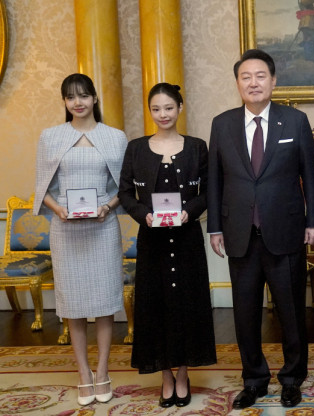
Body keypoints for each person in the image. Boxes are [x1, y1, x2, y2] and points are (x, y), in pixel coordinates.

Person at [207, 49, 314, 409]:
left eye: (261, 76)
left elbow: (310, 175)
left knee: (291, 312)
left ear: (273, 81)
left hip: (285, 231)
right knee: (245, 314)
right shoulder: (222, 124)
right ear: (238, 83)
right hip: (239, 233)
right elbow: (215, 180)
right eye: (246, 77)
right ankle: (254, 379)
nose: (254, 82)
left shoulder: (295, 121)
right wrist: (214, 228)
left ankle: (292, 379)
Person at [118, 83, 216, 408]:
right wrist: (143, 215)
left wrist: (191, 211)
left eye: (169, 108)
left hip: (187, 240)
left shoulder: (197, 147)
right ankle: (165, 376)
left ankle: (184, 374)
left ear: (180, 108)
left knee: (187, 304)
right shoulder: (135, 148)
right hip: (152, 242)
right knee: (155, 305)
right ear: (150, 111)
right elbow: (124, 193)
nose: (163, 115)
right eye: (156, 109)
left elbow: (208, 191)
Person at [33, 73, 127, 406]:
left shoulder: (115, 137)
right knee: (72, 305)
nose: (78, 102)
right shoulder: (51, 136)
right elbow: (42, 188)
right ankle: (83, 373)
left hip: (102, 226)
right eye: (71, 97)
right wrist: (58, 210)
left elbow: (123, 188)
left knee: (104, 302)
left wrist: (108, 206)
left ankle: (102, 371)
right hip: (66, 228)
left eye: (84, 96)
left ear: (94, 99)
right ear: (64, 102)